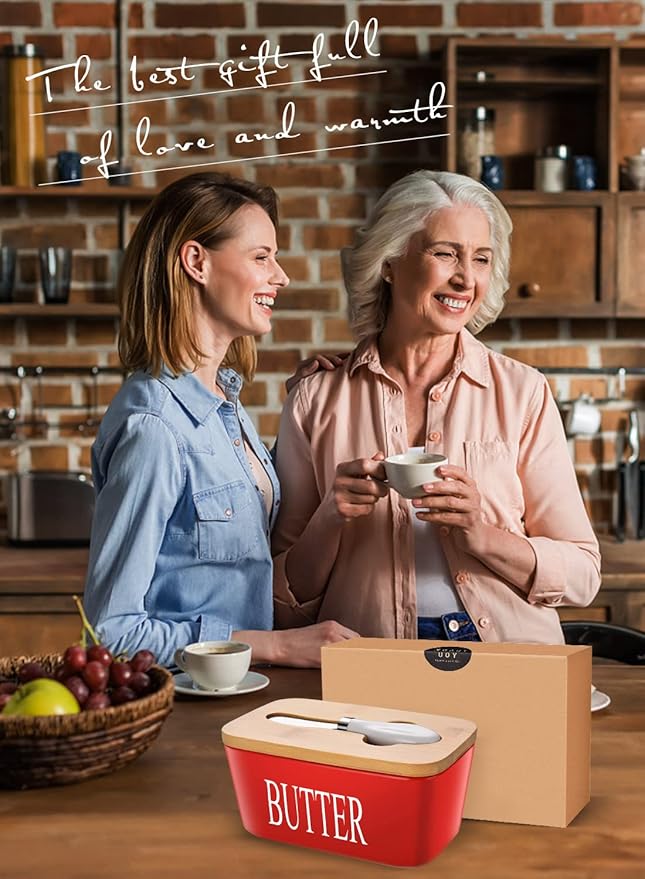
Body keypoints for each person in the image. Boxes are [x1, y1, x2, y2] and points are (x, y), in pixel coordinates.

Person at [271, 169, 601, 645]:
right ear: (389, 261)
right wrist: (331, 516)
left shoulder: (523, 392)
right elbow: (284, 602)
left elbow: (583, 574)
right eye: (445, 253)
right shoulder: (316, 398)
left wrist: (481, 534)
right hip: (372, 659)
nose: (466, 278)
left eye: (481, 259)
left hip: (509, 658)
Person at [83, 172, 357, 668]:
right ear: (196, 262)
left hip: (235, 695)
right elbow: (110, 635)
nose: (281, 276)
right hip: (184, 708)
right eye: (261, 257)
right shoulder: (154, 427)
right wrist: (274, 645)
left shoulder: (225, 405)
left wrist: (305, 406)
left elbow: (236, 542)